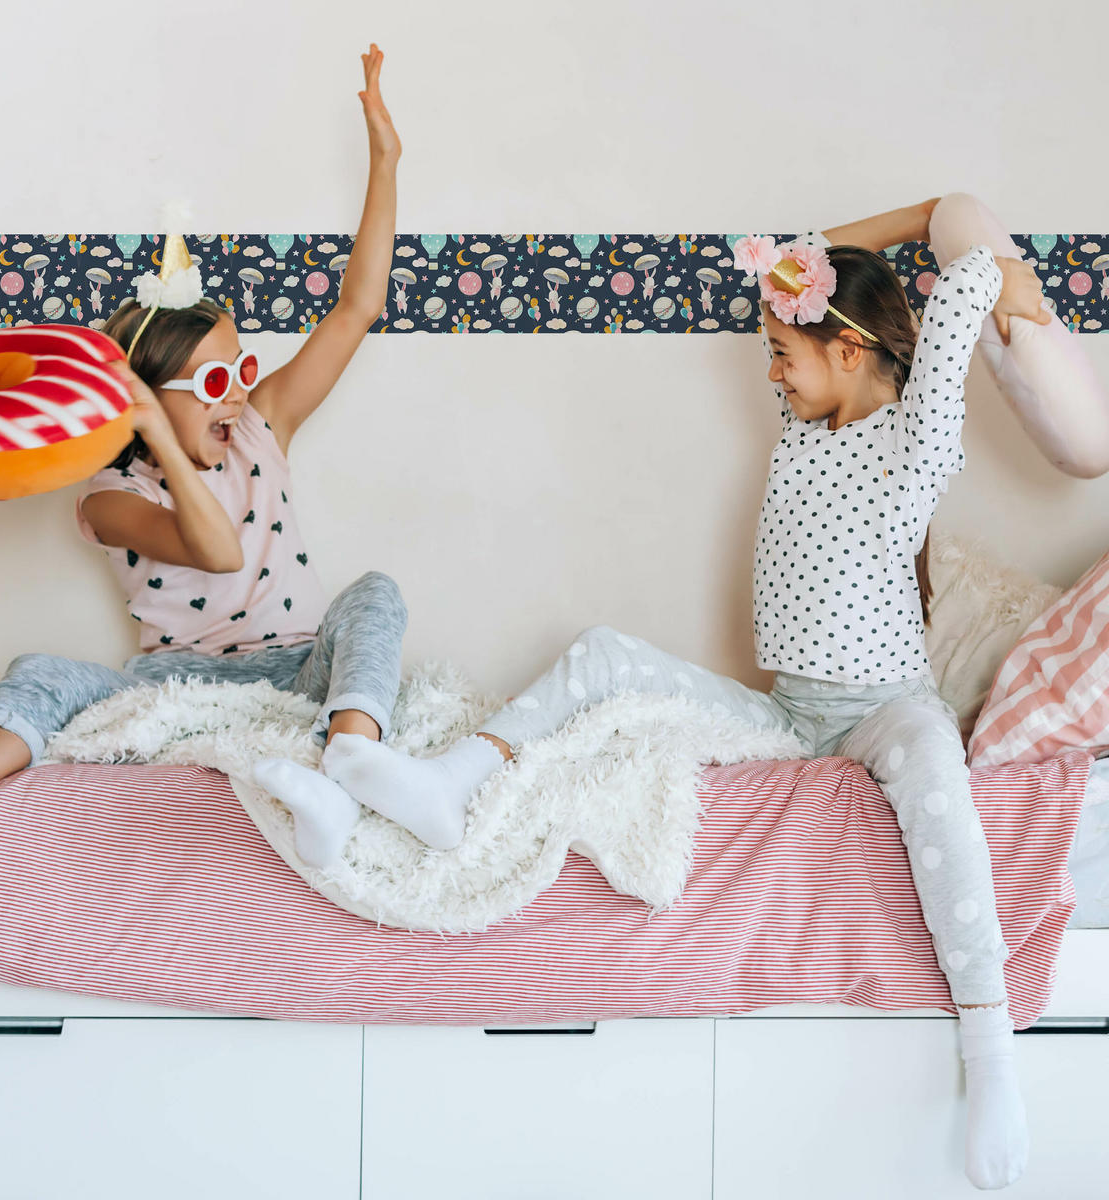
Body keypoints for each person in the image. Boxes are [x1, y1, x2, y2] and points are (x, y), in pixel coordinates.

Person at [310, 200, 1050, 1190]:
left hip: (885, 705)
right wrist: (844, 255)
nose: (772, 373)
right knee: (604, 655)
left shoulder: (915, 442)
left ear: (848, 351)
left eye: (783, 353)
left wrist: (945, 220)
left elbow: (967, 286)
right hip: (790, 714)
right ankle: (453, 780)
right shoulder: (803, 426)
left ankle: (989, 1039)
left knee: (933, 766)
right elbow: (798, 267)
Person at [0, 44, 407, 875]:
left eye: (242, 371)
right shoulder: (110, 496)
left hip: (297, 670)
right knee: (41, 673)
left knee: (375, 596)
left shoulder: (262, 428)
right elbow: (218, 551)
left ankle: (348, 770)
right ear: (149, 395)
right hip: (177, 686)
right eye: (212, 381)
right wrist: (160, 439)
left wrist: (385, 161)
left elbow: (357, 309)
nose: (237, 395)